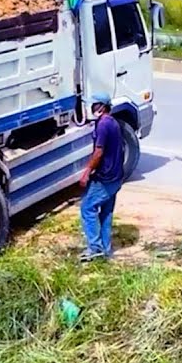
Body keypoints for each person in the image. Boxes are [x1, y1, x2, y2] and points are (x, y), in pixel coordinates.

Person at [79, 92, 124, 261]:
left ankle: (95, 248)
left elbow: (99, 153)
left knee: (87, 208)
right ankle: (105, 250)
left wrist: (86, 173)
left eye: (94, 105)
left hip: (106, 178)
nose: (92, 108)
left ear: (102, 107)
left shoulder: (103, 125)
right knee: (105, 212)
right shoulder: (113, 123)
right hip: (116, 177)